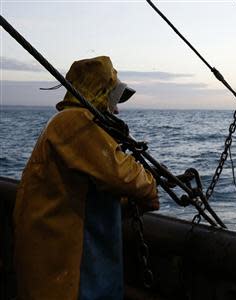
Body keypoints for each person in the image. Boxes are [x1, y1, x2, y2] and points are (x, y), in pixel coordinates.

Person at [13, 56, 159, 299]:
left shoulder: (63, 124)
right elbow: (125, 176)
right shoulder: (74, 122)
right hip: (62, 278)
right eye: (114, 98)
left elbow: (81, 193)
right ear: (99, 93)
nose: (117, 109)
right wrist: (150, 188)